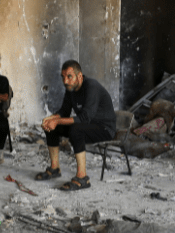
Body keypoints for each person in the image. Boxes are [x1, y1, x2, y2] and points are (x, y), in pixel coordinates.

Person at [37, 60, 116, 190]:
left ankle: (82, 178)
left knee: (76, 130)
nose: (65, 81)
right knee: (52, 128)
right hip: (87, 125)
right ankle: (55, 168)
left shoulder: (91, 86)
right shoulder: (71, 88)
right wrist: (50, 119)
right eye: (63, 77)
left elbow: (85, 117)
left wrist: (56, 121)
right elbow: (64, 111)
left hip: (105, 128)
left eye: (69, 76)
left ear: (79, 76)